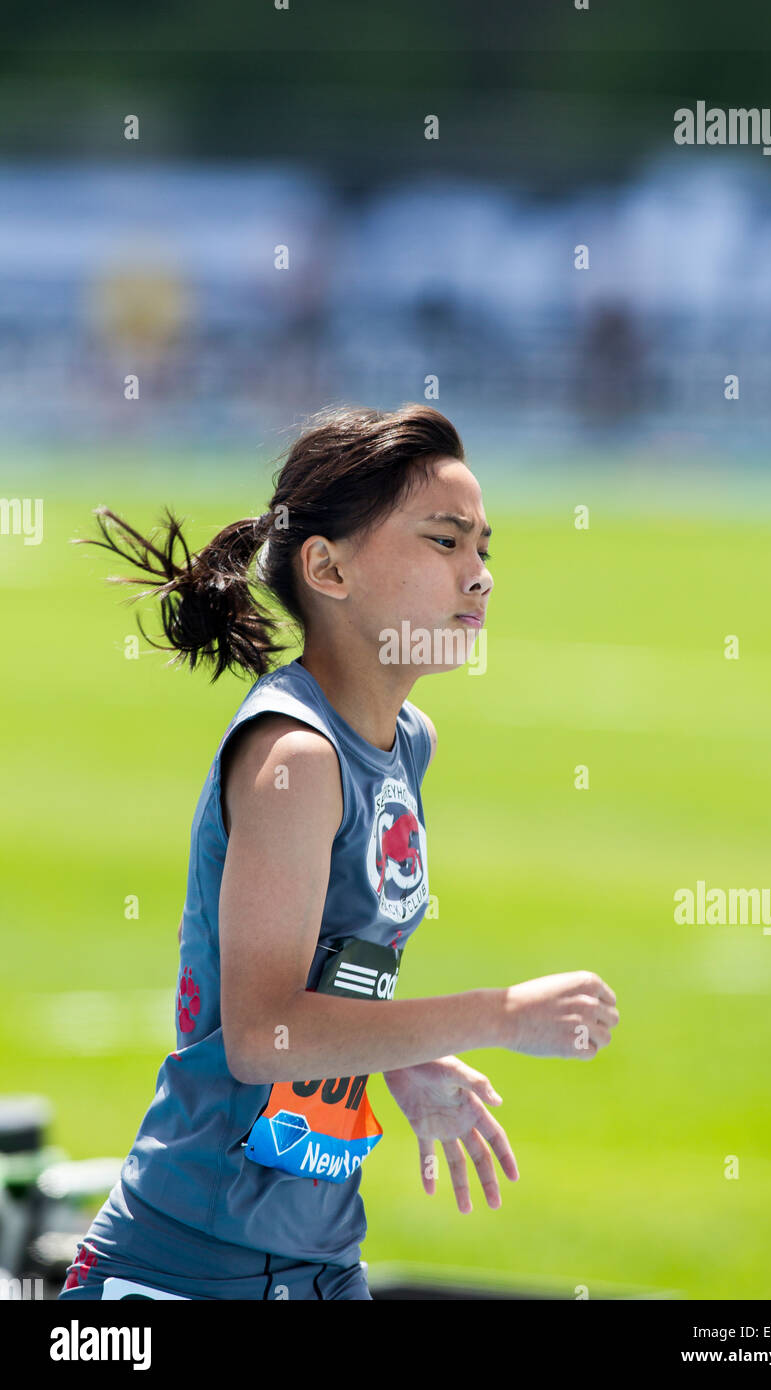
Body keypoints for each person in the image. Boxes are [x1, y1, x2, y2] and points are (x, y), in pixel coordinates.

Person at [57, 402, 619, 1301]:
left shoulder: (409, 741)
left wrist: (401, 1059)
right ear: (327, 566)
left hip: (317, 1259)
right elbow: (259, 1035)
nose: (478, 578)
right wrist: (500, 1015)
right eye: (444, 542)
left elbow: (334, 965)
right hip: (191, 1265)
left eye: (483, 549)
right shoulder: (298, 760)